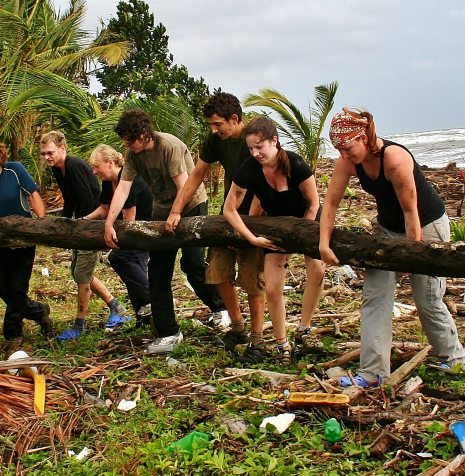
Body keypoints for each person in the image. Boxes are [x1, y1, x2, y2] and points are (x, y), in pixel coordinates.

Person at [319, 108, 465, 388]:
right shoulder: (348, 161)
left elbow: (412, 212)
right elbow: (332, 205)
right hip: (386, 230)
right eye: (340, 150)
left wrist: (413, 258)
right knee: (376, 297)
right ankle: (373, 373)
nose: (345, 155)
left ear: (364, 138)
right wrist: (324, 244)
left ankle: (453, 356)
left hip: (427, 226)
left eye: (348, 148)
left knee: (427, 296)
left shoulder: (395, 159)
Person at [103, 109, 225, 354]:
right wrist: (109, 222)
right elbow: (123, 189)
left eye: (130, 138)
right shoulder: (133, 154)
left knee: (192, 264)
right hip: (162, 211)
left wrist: (176, 213)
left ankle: (221, 309)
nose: (127, 144)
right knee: (158, 271)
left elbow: (184, 185)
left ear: (145, 134)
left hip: (190, 205)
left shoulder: (169, 145)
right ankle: (168, 332)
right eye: (124, 139)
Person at [222, 117, 326, 366]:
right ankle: (282, 343)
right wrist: (251, 238)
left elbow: (314, 202)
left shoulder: (295, 163)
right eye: (250, 148)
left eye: (260, 146)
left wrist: (302, 236)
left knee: (317, 269)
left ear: (274, 141)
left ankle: (304, 328)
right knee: (272, 287)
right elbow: (229, 209)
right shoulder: (249, 168)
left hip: (307, 219)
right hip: (276, 223)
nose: (255, 153)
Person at [167, 92, 264, 348]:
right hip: (227, 214)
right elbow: (197, 174)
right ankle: (237, 327)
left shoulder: (253, 140)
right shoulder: (215, 140)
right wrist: (176, 210)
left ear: (234, 118)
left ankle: (257, 339)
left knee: (252, 278)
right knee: (217, 271)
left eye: (218, 124)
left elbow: (268, 184)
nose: (213, 130)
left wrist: (246, 231)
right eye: (211, 124)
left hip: (257, 216)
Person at [39, 131, 130, 340]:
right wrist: (63, 221)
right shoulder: (58, 169)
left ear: (62, 149)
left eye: (50, 152)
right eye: (44, 154)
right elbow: (70, 200)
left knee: (82, 275)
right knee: (78, 271)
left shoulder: (74, 166)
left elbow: (90, 200)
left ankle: (79, 325)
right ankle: (115, 306)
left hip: (92, 224)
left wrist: (83, 224)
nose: (47, 157)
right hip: (80, 225)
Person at [0, 138, 53, 350]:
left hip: (22, 240)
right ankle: (38, 311)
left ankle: (13, 334)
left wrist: (40, 225)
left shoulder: (15, 170)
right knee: (1, 289)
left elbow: (33, 195)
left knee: (17, 288)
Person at [83, 144, 153, 325]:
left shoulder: (130, 179)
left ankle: (151, 300)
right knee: (127, 266)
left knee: (121, 258)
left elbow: (129, 218)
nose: (94, 171)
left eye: (97, 166)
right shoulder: (108, 182)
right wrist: (85, 219)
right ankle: (144, 316)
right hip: (130, 229)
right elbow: (105, 208)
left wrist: (108, 236)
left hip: (145, 230)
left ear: (110, 163)